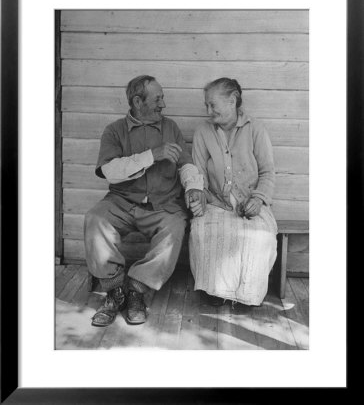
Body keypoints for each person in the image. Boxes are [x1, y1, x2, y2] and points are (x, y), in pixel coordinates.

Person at [84, 75, 204, 326]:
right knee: (95, 219)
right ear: (138, 101)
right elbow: (110, 171)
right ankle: (114, 291)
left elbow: (186, 165)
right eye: (158, 98)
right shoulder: (114, 131)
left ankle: (137, 290)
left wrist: (194, 188)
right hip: (121, 202)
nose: (163, 104)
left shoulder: (170, 127)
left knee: (174, 229)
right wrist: (152, 155)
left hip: (163, 205)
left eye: (163, 97)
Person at [188, 78, 278, 307]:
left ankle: (248, 295)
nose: (208, 111)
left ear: (232, 100)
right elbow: (198, 176)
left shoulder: (256, 130)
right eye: (206, 106)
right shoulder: (202, 132)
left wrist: (258, 199)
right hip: (216, 203)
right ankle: (215, 291)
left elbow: (268, 172)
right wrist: (197, 196)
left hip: (251, 203)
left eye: (212, 105)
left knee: (260, 236)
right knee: (202, 232)